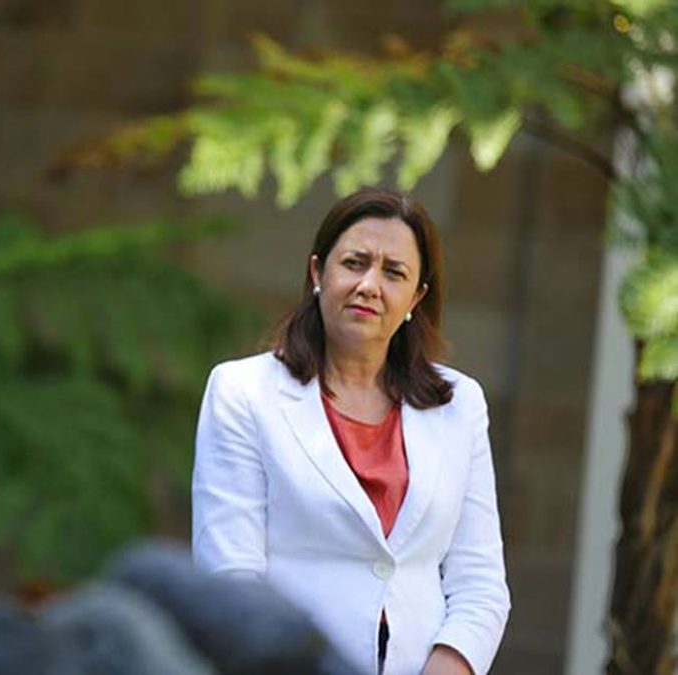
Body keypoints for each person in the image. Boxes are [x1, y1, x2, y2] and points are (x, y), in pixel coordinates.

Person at [191, 187, 510, 675]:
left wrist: (449, 665)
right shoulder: (242, 392)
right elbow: (230, 577)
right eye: (354, 263)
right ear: (319, 273)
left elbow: (481, 581)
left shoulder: (459, 405)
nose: (369, 285)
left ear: (416, 296)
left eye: (394, 272)